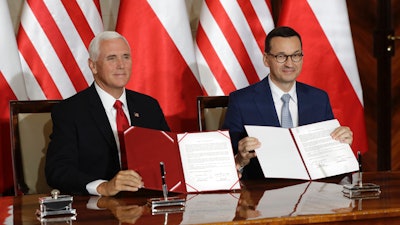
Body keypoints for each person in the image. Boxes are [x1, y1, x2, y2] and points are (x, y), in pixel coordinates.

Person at [45, 31, 170, 196]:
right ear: (93, 66)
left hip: (147, 201)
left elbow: (168, 158)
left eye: (126, 57)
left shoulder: (148, 106)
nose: (121, 65)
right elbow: (58, 171)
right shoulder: (70, 111)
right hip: (98, 208)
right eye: (111, 58)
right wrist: (103, 187)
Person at [222, 26, 353, 179]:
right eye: (281, 56)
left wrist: (342, 146)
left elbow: (328, 156)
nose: (290, 64)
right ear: (266, 59)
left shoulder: (318, 98)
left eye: (296, 55)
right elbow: (225, 163)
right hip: (261, 194)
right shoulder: (241, 101)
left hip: (313, 193)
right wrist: (241, 159)